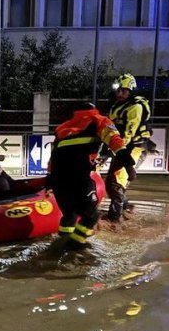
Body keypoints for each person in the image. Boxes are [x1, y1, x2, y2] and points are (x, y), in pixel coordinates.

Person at [48, 102, 134, 251]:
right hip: (79, 173)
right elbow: (116, 142)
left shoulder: (61, 128)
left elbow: (53, 156)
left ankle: (60, 243)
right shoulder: (98, 120)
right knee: (92, 215)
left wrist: (49, 180)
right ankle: (74, 246)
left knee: (69, 214)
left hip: (57, 176)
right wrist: (129, 165)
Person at [104, 73, 152, 222]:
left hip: (134, 148)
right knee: (110, 182)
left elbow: (128, 134)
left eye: (123, 91)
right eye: (118, 90)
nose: (119, 94)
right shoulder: (116, 106)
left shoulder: (135, 107)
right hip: (122, 148)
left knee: (117, 182)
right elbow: (109, 129)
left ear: (131, 91)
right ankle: (127, 207)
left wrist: (111, 151)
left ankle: (114, 219)